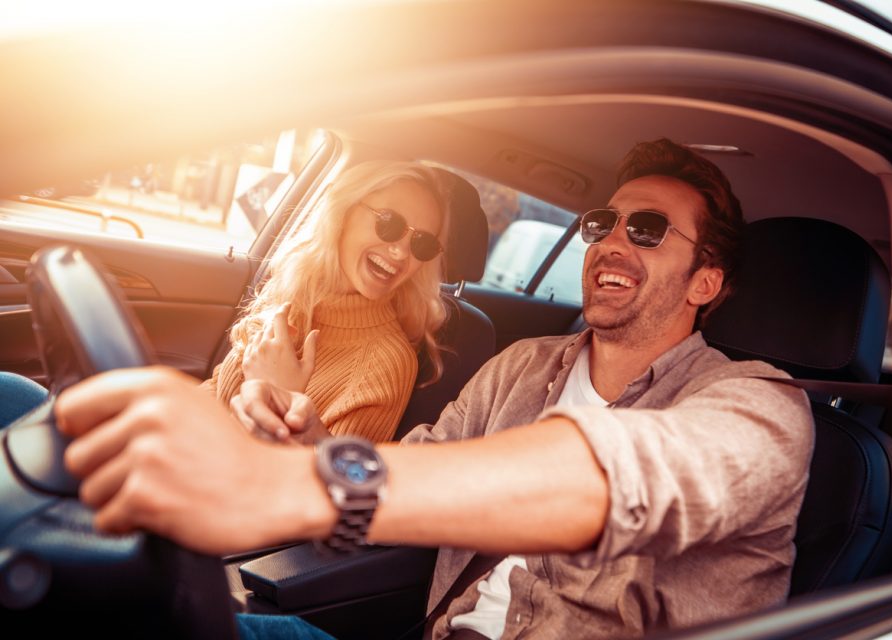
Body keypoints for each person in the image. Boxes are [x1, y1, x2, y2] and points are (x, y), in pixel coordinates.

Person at [55, 139, 814, 640]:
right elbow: (419, 469)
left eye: (647, 230)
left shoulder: (764, 412)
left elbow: (620, 474)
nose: (612, 241)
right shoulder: (522, 366)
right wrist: (308, 439)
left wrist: (299, 482)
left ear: (706, 281)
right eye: (603, 222)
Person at [3, 161, 451, 444]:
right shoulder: (298, 294)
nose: (400, 252)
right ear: (345, 210)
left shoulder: (385, 362)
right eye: (390, 224)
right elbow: (214, 396)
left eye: (423, 243)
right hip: (173, 453)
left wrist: (282, 397)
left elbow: (318, 501)